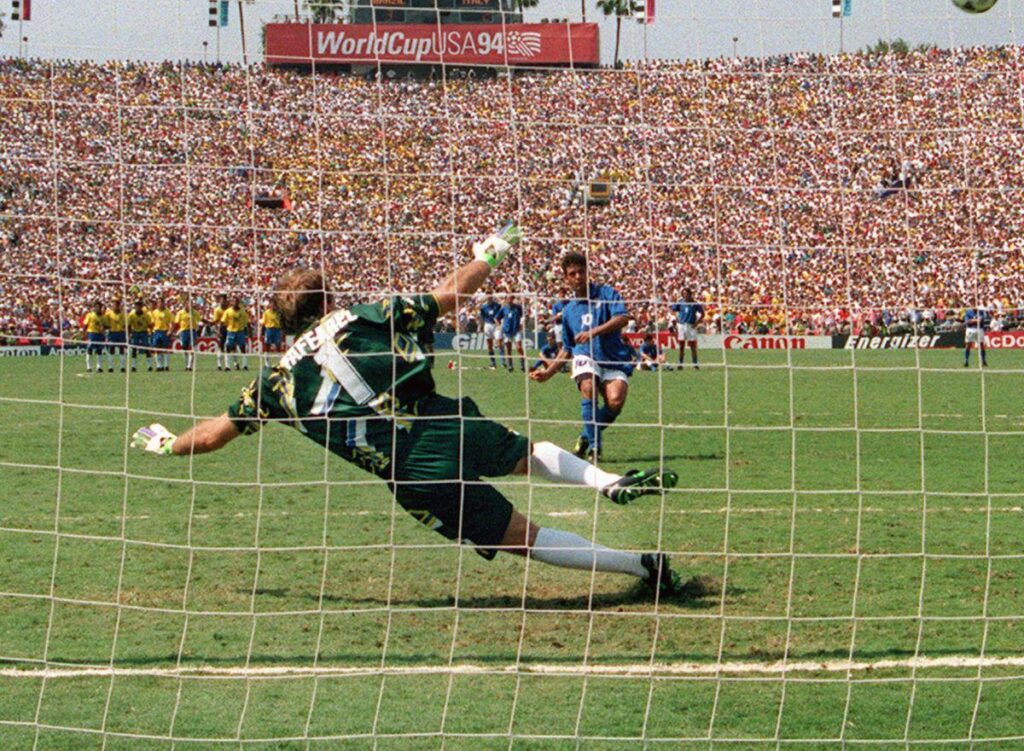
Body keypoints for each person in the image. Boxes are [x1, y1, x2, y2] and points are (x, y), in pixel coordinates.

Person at [131, 224, 689, 598]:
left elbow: (212, 437)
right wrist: (488, 255)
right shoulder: (364, 316)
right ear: (328, 302)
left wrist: (168, 442)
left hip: (407, 471)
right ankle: (605, 480)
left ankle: (639, 565)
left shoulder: (276, 383)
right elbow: (448, 295)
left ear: (288, 322)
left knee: (523, 535)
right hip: (436, 418)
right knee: (529, 454)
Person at [531, 252, 635, 462]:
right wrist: (549, 373)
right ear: (566, 278)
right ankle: (596, 448)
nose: (578, 276)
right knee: (588, 387)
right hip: (585, 356)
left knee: (615, 402)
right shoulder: (568, 310)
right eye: (572, 274)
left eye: (581, 271)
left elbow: (623, 318)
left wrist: (593, 332)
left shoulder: (606, 293)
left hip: (612, 358)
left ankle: (586, 436)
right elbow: (567, 349)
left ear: (587, 272)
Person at [669, 289, 705, 369]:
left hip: (691, 326)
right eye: (683, 293)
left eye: (686, 293)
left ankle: (695, 364)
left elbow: (703, 314)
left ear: (690, 294)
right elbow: (671, 309)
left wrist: (697, 323)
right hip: (682, 325)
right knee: (681, 346)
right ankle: (680, 364)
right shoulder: (680, 302)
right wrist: (676, 317)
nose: (685, 295)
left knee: (693, 346)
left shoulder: (694, 303)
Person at [499, 295, 526, 373]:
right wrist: (499, 326)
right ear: (507, 299)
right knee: (508, 349)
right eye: (508, 299)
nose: (510, 300)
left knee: (519, 347)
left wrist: (521, 323)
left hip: (516, 330)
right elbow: (497, 317)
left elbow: (523, 316)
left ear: (513, 299)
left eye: (511, 299)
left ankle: (522, 364)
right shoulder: (504, 308)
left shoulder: (518, 307)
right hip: (507, 331)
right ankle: (510, 365)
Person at [222, 297, 250, 370]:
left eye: (236, 302)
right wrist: (220, 331)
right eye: (233, 302)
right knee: (228, 347)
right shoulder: (228, 311)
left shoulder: (243, 311)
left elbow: (247, 322)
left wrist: (249, 332)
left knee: (242, 347)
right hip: (231, 331)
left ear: (238, 303)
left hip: (240, 331)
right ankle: (227, 366)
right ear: (231, 303)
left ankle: (245, 365)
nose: (235, 303)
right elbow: (223, 321)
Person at [175, 296, 202, 371]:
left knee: (193, 348)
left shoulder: (195, 312)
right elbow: (176, 323)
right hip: (184, 331)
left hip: (192, 331)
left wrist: (199, 326)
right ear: (185, 304)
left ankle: (189, 366)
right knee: (184, 347)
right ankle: (187, 363)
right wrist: (176, 332)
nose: (189, 305)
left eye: (191, 304)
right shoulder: (180, 313)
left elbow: (199, 321)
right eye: (187, 304)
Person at [149, 297, 174, 372]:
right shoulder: (154, 312)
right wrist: (151, 330)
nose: (159, 304)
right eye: (158, 302)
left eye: (160, 302)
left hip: (164, 331)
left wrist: (170, 331)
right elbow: (152, 323)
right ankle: (159, 366)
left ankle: (166, 365)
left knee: (165, 349)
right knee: (157, 349)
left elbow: (172, 323)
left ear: (163, 303)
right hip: (156, 332)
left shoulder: (168, 312)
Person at [479, 295, 504, 369]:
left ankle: (503, 362)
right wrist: (481, 326)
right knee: (489, 345)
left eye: (490, 296)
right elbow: (482, 317)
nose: (489, 298)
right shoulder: (484, 307)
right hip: (487, 325)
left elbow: (503, 307)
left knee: (499, 343)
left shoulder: (497, 305)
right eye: (487, 296)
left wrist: (498, 298)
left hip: (496, 325)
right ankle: (493, 362)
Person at [127, 299, 152, 372]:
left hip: (144, 332)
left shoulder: (146, 315)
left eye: (139, 305)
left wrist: (150, 332)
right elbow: (128, 325)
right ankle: (134, 366)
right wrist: (129, 334)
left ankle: (149, 365)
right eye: (137, 305)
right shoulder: (131, 314)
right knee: (134, 349)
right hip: (135, 332)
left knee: (146, 348)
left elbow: (150, 324)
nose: (138, 307)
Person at [82, 301, 107, 373]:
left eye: (98, 307)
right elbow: (85, 325)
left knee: (99, 350)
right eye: (95, 307)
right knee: (90, 349)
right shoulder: (90, 315)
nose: (97, 308)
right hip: (92, 333)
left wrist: (104, 328)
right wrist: (84, 334)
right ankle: (89, 367)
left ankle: (99, 367)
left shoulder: (103, 316)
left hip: (100, 334)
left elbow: (106, 325)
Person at [104, 298, 128, 372]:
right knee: (111, 349)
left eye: (117, 304)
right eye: (114, 304)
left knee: (122, 349)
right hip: (112, 333)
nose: (116, 306)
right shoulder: (108, 314)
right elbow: (105, 324)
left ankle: (122, 367)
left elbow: (126, 325)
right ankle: (110, 367)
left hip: (121, 332)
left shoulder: (123, 314)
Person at [964, 303, 990, 368]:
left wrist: (972, 320)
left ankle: (983, 361)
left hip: (979, 329)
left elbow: (981, 320)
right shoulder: (968, 312)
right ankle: (966, 360)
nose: (974, 305)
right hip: (970, 329)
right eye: (972, 303)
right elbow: (967, 321)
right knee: (968, 345)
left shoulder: (981, 312)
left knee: (981, 345)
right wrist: (976, 320)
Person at [212, 294, 229, 370]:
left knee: (230, 346)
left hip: (229, 328)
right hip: (221, 328)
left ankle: (231, 364)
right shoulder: (217, 310)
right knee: (220, 346)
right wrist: (217, 331)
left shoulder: (229, 309)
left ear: (226, 301)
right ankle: (219, 364)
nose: (221, 302)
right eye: (220, 300)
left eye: (223, 300)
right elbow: (215, 321)